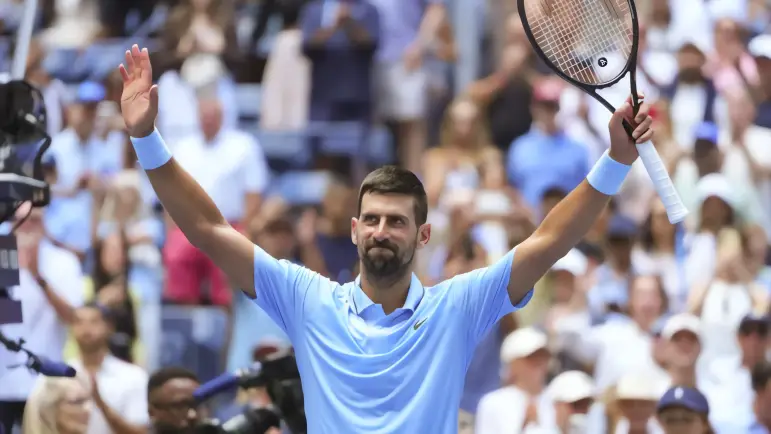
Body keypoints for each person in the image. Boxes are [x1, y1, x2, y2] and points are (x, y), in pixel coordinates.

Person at [118, 43, 655, 433]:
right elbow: (210, 230)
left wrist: (615, 160)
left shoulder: (456, 307)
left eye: (396, 222)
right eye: (372, 219)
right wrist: (146, 138)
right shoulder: (308, 300)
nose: (381, 231)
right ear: (354, 230)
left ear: (423, 235)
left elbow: (548, 242)